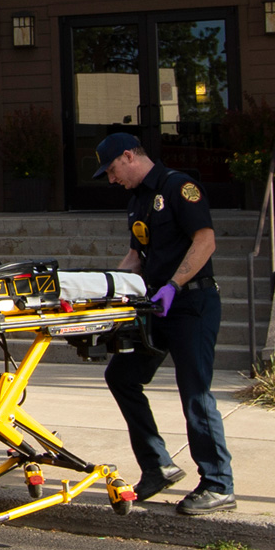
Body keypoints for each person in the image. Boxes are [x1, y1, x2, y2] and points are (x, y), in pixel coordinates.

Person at [91, 132, 235, 516]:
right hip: (157, 307)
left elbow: (205, 241)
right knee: (121, 375)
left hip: (192, 303)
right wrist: (103, 289)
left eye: (112, 170)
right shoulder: (137, 201)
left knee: (195, 391)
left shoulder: (180, 187)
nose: (111, 179)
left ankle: (219, 483)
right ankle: (157, 466)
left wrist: (174, 284)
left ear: (128, 156)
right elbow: (136, 255)